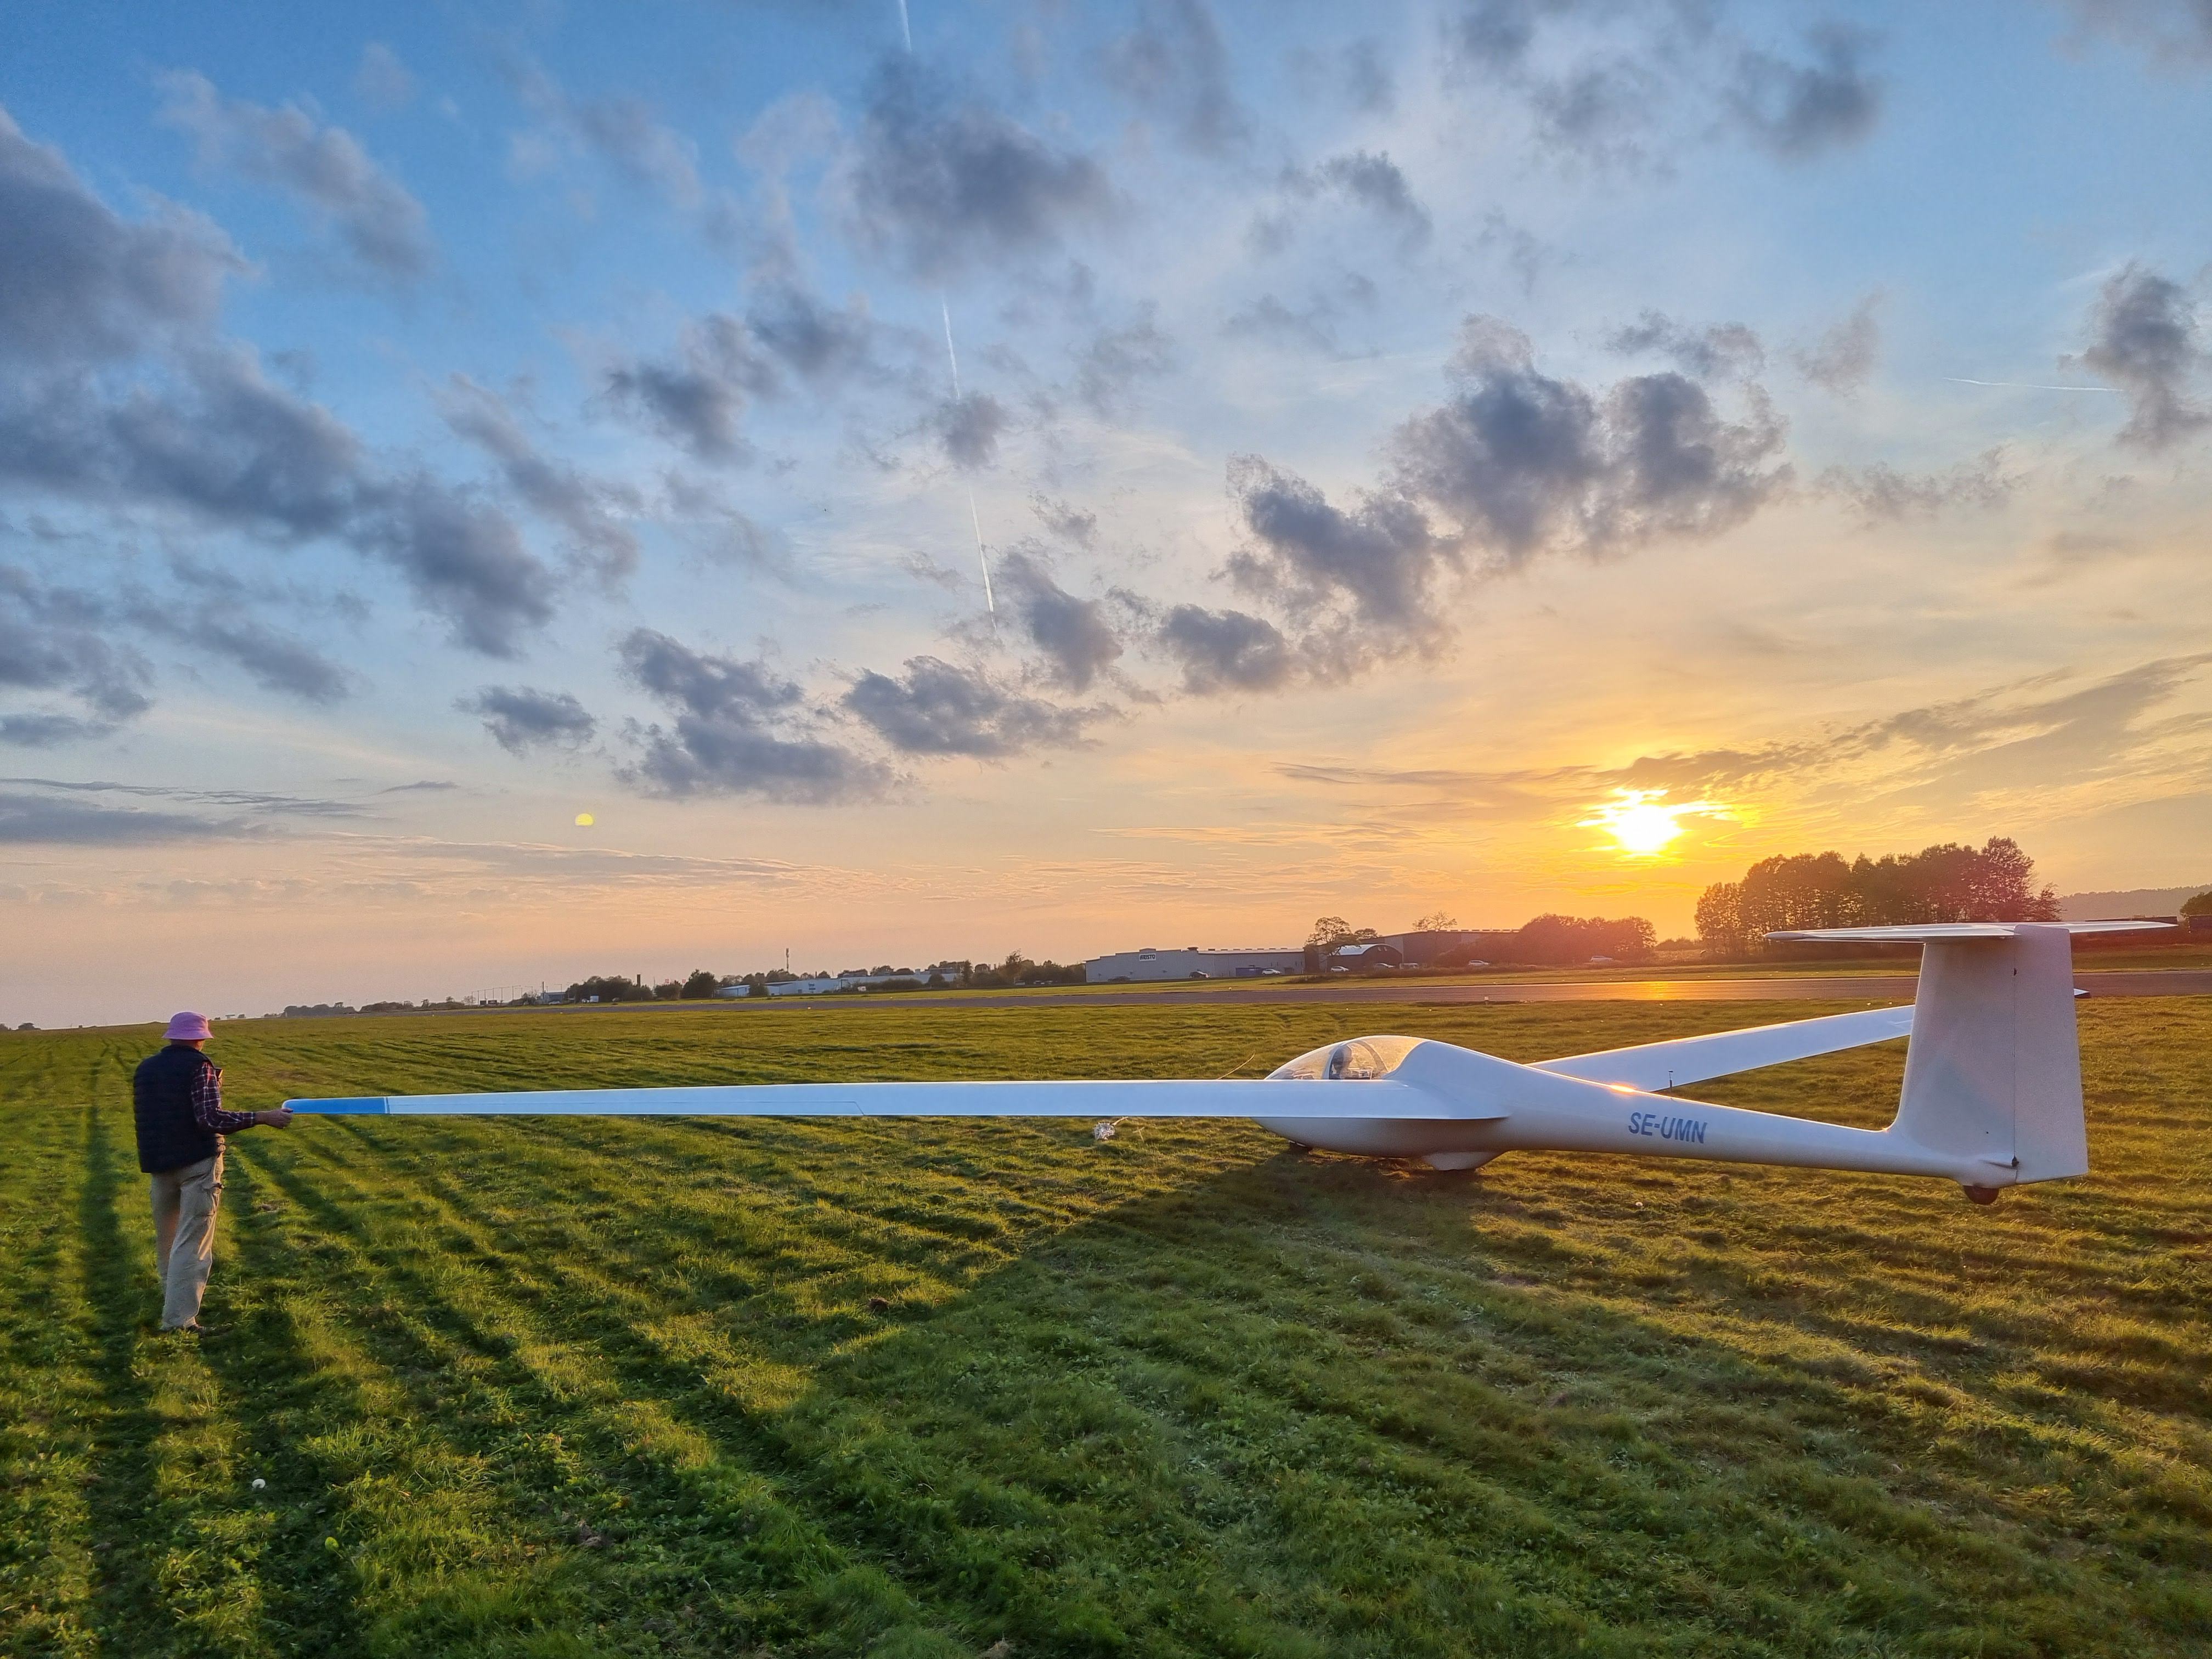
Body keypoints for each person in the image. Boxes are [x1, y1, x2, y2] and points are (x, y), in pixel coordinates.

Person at [132, 1012, 291, 1334]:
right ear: (201, 1038)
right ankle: (179, 1322)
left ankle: (171, 1303)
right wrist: (263, 1117)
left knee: (169, 1239)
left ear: (172, 1037)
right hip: (197, 1162)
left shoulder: (145, 1069)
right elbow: (211, 1119)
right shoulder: (199, 1066)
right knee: (193, 1242)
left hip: (158, 1164)